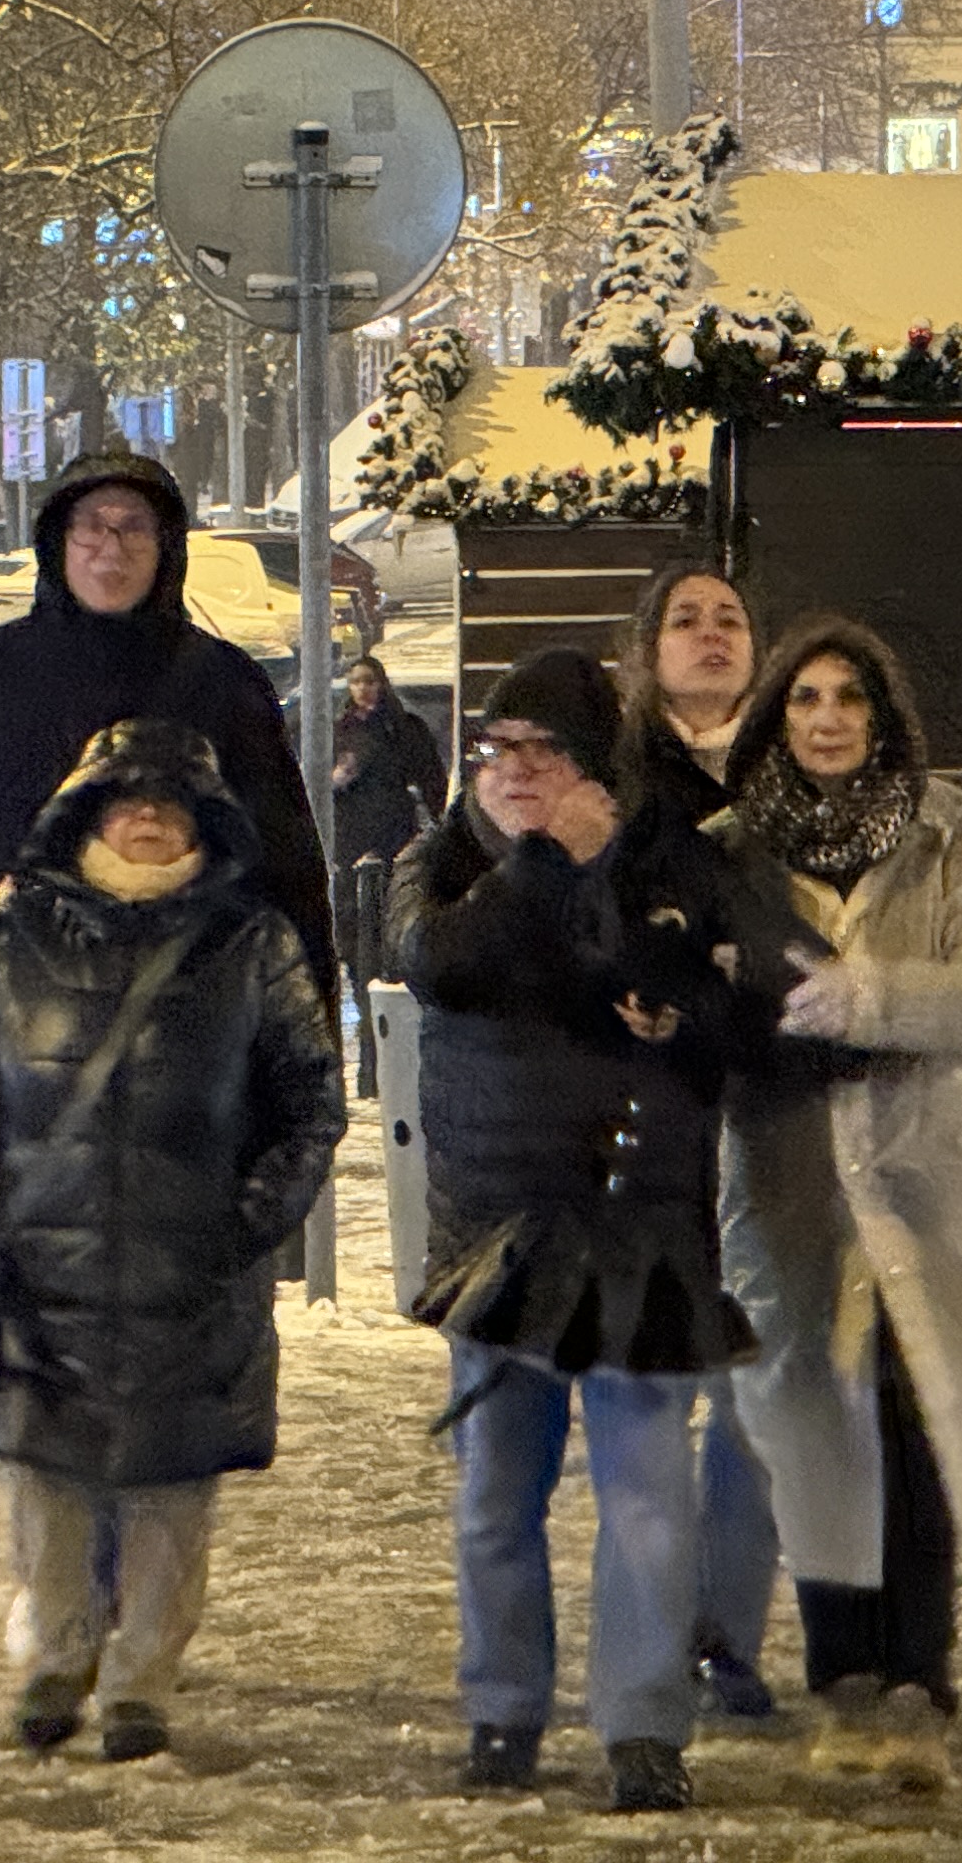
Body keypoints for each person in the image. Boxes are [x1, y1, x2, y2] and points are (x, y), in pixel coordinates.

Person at [0, 721, 345, 1764]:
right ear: (86, 813)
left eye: (170, 799)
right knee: (44, 1481)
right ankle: (57, 1660)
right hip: (40, 1268)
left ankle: (143, 1679)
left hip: (189, 1272)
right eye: (125, 796)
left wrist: (246, 1224)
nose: (147, 814)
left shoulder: (251, 943)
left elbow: (311, 1102)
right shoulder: (10, 934)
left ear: (206, 820)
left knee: (170, 1486)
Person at [395, 648, 775, 1818]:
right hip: (494, 1231)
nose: (515, 770)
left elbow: (735, 1012)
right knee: (495, 1495)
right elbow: (439, 965)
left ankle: (644, 1727)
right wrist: (542, 863)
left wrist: (681, 1010)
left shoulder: (676, 857)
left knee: (647, 1495)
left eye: (544, 750)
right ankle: (503, 1710)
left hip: (637, 1219)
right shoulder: (445, 860)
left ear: (598, 764)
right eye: (496, 748)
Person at [715, 619, 962, 1788]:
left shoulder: (954, 833)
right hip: (790, 1165)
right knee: (815, 1417)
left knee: (922, 1416)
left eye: (849, 697)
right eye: (805, 697)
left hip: (929, 1165)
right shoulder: (730, 848)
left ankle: (920, 1671)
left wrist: (876, 998)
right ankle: (841, 1674)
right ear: (778, 715)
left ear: (882, 713)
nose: (827, 719)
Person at [0, 448, 336, 1007]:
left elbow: (287, 870)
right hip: (16, 1017)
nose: (111, 549)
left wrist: (308, 1023)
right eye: (92, 527)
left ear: (166, 547)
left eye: (134, 528)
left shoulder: (222, 683)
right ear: (58, 541)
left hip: (187, 1016)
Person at [609, 565, 787, 1728]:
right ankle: (652, 1632)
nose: (711, 635)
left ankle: (731, 1632)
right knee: (651, 1402)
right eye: (687, 620)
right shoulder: (622, 783)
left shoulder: (792, 779)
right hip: (652, 1123)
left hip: (771, 1115)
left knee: (754, 1403)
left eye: (731, 619)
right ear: (648, 650)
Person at [330, 657, 443, 1010]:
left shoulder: (403, 728)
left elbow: (431, 779)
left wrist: (438, 825)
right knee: (352, 917)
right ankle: (361, 983)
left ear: (381, 684)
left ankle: (391, 980)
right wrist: (335, 780)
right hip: (350, 835)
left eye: (369, 681)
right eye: (356, 682)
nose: (363, 689)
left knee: (393, 907)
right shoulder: (337, 730)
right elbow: (313, 783)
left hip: (393, 830)